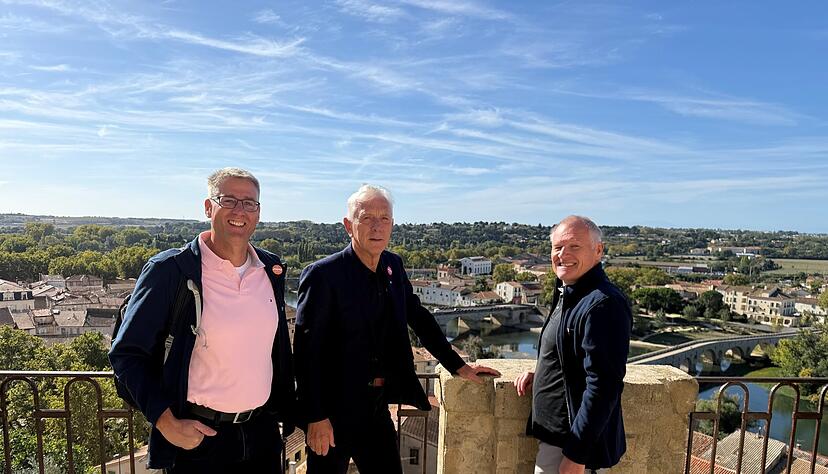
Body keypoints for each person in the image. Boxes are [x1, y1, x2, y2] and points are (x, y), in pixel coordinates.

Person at [294, 184, 501, 474]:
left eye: (385, 218)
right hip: (333, 411)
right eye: (367, 218)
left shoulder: (392, 264)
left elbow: (418, 316)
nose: (377, 226)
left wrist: (457, 365)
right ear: (348, 225)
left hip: (376, 409)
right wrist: (315, 417)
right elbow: (306, 352)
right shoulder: (323, 275)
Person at [109, 168, 296, 473]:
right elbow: (127, 354)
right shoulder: (171, 270)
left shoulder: (270, 269)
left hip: (261, 435)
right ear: (208, 207)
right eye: (229, 200)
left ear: (258, 213)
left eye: (250, 203)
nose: (240, 211)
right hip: (199, 440)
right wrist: (166, 423)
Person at [514, 216, 631, 474]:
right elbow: (569, 351)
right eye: (557, 247)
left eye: (574, 246)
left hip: (573, 448)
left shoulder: (603, 304)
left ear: (598, 250)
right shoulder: (570, 293)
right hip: (558, 441)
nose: (563, 254)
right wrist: (545, 372)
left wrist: (576, 455)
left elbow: (604, 386)